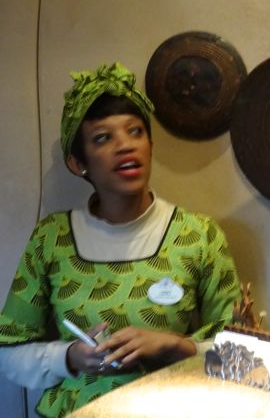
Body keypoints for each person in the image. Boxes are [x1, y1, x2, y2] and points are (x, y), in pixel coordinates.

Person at [0, 62, 241, 416]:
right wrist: (69, 357)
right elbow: (8, 351)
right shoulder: (51, 239)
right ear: (76, 163)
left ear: (151, 146)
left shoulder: (199, 236)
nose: (125, 146)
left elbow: (247, 357)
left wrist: (176, 347)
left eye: (135, 131)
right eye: (103, 138)